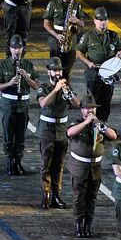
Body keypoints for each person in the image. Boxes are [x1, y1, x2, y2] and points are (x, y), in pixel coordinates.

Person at [66, 95, 117, 238]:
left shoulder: (100, 124)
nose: (90, 110)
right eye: (87, 108)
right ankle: (78, 224)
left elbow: (113, 136)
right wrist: (86, 122)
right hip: (79, 166)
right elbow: (70, 132)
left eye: (93, 108)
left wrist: (101, 126)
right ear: (82, 110)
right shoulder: (77, 123)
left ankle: (88, 224)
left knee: (92, 197)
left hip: (95, 167)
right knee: (79, 197)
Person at [0, 35, 40, 175]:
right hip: (9, 103)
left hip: (23, 104)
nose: (16, 51)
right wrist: (9, 83)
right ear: (10, 49)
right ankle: (9, 161)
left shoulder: (28, 65)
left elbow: (36, 86)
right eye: (14, 48)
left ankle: (18, 161)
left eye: (19, 48)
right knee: (8, 134)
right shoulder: (4, 65)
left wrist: (26, 76)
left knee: (20, 136)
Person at [38, 58, 80, 209]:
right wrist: (55, 90)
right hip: (47, 130)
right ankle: (46, 194)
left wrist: (68, 92)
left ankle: (56, 194)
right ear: (48, 71)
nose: (57, 73)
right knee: (46, 164)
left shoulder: (66, 87)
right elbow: (43, 103)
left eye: (59, 70)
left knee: (59, 165)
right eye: (55, 70)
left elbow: (77, 104)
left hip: (61, 130)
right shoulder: (44, 87)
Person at [76, 7, 121, 122]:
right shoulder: (88, 36)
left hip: (109, 73)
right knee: (93, 102)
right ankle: (91, 124)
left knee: (106, 101)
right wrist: (88, 62)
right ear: (95, 21)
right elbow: (79, 51)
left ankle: (103, 124)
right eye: (100, 20)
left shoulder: (114, 36)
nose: (103, 22)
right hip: (93, 73)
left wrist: (120, 55)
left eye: (105, 20)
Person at [41, 0, 85, 80]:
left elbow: (82, 23)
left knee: (68, 70)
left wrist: (77, 20)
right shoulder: (53, 3)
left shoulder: (76, 4)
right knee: (55, 70)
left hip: (71, 41)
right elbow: (46, 23)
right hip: (56, 40)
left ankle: (66, 87)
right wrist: (56, 35)